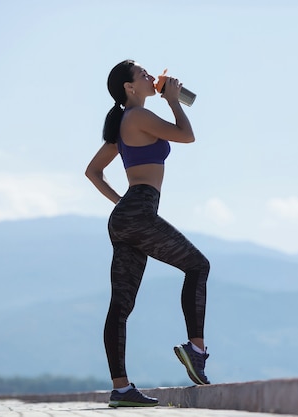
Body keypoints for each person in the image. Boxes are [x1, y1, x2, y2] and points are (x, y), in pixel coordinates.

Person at [85, 60, 211, 408]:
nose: (148, 76)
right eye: (141, 74)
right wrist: (173, 99)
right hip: (138, 211)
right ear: (129, 87)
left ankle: (121, 389)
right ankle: (196, 350)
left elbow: (93, 171)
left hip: (128, 215)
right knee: (198, 266)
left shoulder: (125, 123)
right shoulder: (137, 117)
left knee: (120, 307)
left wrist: (120, 204)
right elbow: (186, 135)